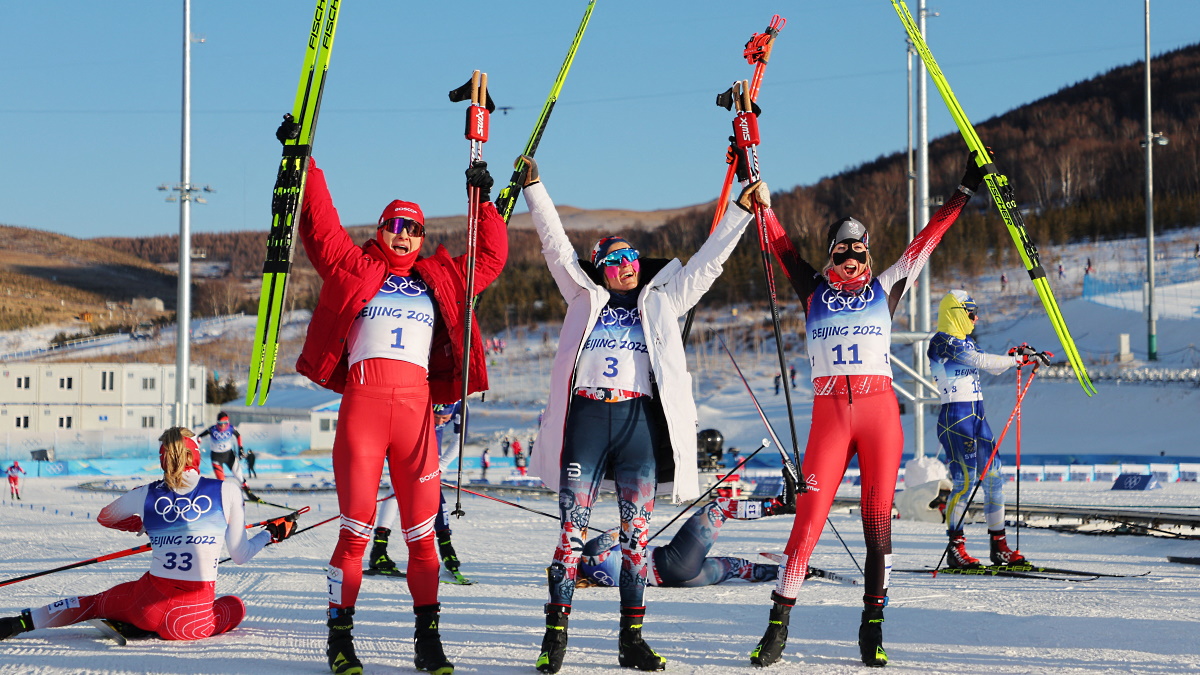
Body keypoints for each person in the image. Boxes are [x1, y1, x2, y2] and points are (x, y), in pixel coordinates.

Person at [518, 153, 760, 674]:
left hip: (638, 430)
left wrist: (741, 211)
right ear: (600, 268)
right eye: (613, 259)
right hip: (586, 422)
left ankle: (632, 640)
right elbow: (556, 248)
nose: (625, 266)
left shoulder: (664, 300)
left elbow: (707, 264)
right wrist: (535, 189)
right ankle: (555, 636)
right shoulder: (582, 297)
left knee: (636, 541)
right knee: (569, 536)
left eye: (632, 257)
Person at [748, 153, 985, 668]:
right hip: (830, 415)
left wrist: (963, 191)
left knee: (879, 525)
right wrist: (761, 201)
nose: (852, 263)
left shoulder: (887, 284)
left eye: (860, 253)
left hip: (879, 415)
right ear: (831, 256)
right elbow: (780, 244)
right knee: (807, 522)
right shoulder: (812, 290)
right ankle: (778, 623)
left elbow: (930, 238)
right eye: (843, 254)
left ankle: (872, 627)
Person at [289, 119, 506, 675]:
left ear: (422, 235)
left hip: (416, 416)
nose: (404, 234)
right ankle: (340, 639)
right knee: (356, 531)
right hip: (362, 411)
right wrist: (305, 162)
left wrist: (482, 198)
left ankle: (427, 641)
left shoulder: (441, 277)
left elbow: (491, 258)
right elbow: (319, 226)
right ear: (381, 229)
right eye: (394, 225)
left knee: (423, 537)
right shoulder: (354, 266)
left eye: (413, 227)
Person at [0, 428, 297, 643]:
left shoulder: (146, 492)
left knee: (94, 602)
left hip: (146, 605)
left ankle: (19, 623)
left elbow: (105, 516)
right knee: (235, 606)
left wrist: (137, 525)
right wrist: (270, 534)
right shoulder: (227, 489)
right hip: (188, 622)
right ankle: (148, 625)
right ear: (196, 455)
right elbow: (240, 555)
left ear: (163, 459)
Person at [928, 290, 1043, 569]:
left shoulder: (965, 342)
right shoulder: (942, 342)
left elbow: (992, 368)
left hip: (978, 416)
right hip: (956, 418)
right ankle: (956, 548)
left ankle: (999, 546)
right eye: (970, 313)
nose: (976, 318)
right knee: (965, 483)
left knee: (993, 478)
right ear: (956, 313)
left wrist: (1014, 355)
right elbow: (981, 362)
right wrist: (1016, 361)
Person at [368, 401, 469, 584]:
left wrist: (440, 466)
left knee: (425, 489)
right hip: (406, 446)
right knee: (397, 489)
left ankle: (379, 550)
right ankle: (444, 548)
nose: (440, 422)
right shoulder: (422, 399)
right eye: (436, 417)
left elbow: (459, 440)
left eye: (444, 419)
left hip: (431, 452)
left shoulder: (460, 405)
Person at [579, 498, 781, 589]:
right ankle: (777, 507)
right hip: (670, 562)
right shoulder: (589, 555)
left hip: (675, 581)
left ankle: (788, 573)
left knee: (738, 567)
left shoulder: (594, 577)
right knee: (718, 508)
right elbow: (624, 529)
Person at [195, 412, 255, 500]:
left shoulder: (231, 428)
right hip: (216, 457)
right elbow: (199, 436)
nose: (222, 426)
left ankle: (250, 494)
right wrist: (198, 443)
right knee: (221, 481)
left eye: (225, 423)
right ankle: (225, 498)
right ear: (217, 423)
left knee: (239, 476)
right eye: (220, 423)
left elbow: (238, 436)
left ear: (228, 422)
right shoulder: (212, 429)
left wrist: (240, 449)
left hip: (229, 455)